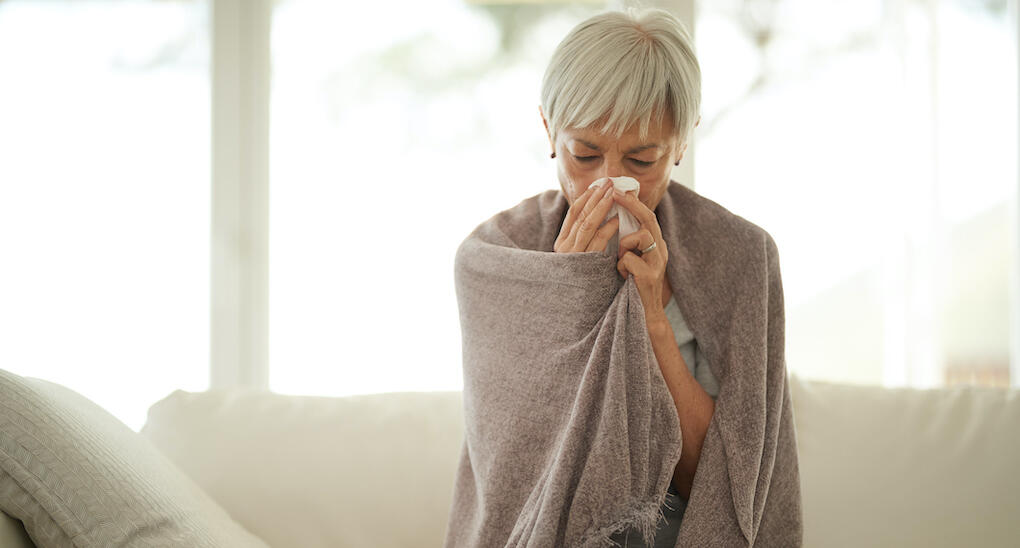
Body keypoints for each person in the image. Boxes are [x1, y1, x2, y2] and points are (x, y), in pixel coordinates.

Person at [540, 8, 716, 547]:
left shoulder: (740, 260)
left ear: (681, 145)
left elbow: (718, 484)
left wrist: (653, 320)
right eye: (584, 154)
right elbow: (521, 472)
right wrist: (570, 299)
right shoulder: (495, 258)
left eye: (641, 160)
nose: (609, 183)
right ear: (549, 130)